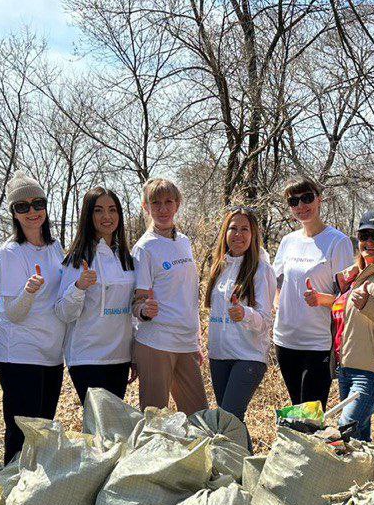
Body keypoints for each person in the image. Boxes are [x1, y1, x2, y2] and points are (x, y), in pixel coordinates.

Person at [306, 208, 374, 442]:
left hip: (372, 371)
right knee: (358, 441)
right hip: (347, 368)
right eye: (364, 236)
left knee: (344, 431)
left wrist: (370, 305)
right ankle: (366, 479)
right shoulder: (355, 275)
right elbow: (351, 314)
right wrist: (323, 300)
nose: (369, 242)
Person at [0, 172, 66, 463]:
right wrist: (28, 292)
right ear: (13, 212)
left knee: (43, 432)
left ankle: (33, 498)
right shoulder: (10, 254)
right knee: (21, 437)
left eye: (38, 204)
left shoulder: (55, 247)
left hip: (51, 355)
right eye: (22, 206)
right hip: (20, 356)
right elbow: (13, 313)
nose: (32, 211)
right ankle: (11, 495)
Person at [272, 175, 356, 406]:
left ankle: (310, 443)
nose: (301, 206)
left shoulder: (337, 242)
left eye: (307, 198)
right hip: (285, 338)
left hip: (317, 342)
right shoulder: (288, 241)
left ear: (319, 199)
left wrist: (322, 299)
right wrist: (277, 303)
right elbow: (277, 281)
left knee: (311, 413)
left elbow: (347, 297)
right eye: (294, 202)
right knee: (296, 407)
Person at [130, 177, 209, 413]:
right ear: (146, 207)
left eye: (168, 202)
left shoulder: (184, 241)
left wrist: (195, 339)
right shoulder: (145, 248)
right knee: (155, 417)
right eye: (156, 203)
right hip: (156, 343)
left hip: (185, 342)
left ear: (178, 204)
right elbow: (137, 302)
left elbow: (188, 295)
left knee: (199, 416)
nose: (163, 209)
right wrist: (144, 310)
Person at [56, 186, 137, 404]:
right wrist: (78, 287)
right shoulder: (77, 259)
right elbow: (64, 312)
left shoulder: (127, 259)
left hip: (120, 357)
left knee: (112, 430)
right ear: (88, 215)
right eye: (99, 210)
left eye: (112, 210)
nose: (107, 217)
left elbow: (133, 310)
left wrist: (135, 354)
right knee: (99, 426)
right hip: (88, 357)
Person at [204, 205, 276, 437]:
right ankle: (244, 469)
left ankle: (244, 470)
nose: (238, 234)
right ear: (225, 233)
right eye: (233, 228)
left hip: (248, 356)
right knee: (230, 422)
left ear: (253, 234)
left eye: (245, 229)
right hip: (219, 355)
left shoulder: (261, 269)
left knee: (230, 417)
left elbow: (266, 320)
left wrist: (244, 314)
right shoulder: (219, 266)